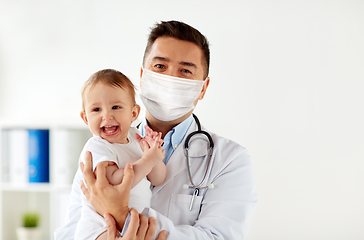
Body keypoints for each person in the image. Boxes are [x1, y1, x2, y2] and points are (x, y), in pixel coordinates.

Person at [57, 20, 258, 240]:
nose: (170, 78)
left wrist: (121, 214)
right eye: (160, 66)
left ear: (203, 88)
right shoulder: (102, 147)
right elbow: (70, 232)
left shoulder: (230, 160)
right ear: (142, 76)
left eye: (185, 70)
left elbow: (219, 237)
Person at [56, 69, 166, 240]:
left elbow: (158, 179)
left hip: (131, 224)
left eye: (115, 107)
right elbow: (115, 182)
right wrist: (147, 160)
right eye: (96, 110)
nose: (106, 116)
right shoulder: (96, 147)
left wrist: (154, 156)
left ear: (133, 113)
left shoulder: (135, 138)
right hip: (99, 227)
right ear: (85, 119)